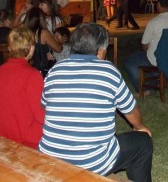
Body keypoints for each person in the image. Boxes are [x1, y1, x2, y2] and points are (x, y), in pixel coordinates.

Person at [39, 23, 153, 181]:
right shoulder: (108, 71)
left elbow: (44, 105)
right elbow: (131, 110)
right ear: (101, 50)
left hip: (51, 158)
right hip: (90, 162)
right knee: (143, 142)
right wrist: (140, 127)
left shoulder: (55, 70)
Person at [0, 28, 44, 148]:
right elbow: (40, 115)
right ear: (31, 49)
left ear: (9, 49)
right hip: (23, 139)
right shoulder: (32, 75)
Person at [24, 7, 62, 76]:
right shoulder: (43, 33)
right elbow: (59, 49)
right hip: (40, 70)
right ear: (41, 19)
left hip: (27, 68)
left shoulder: (23, 32)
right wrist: (59, 38)